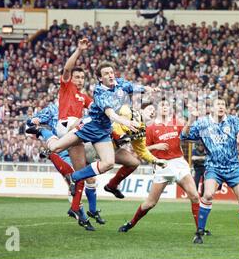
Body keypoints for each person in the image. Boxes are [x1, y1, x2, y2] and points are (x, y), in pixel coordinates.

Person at [45, 61, 159, 192]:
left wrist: (148, 89)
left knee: (109, 163)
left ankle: (74, 177)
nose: (111, 75)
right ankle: (44, 132)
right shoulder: (99, 92)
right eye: (106, 73)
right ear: (100, 78)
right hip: (89, 127)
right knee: (55, 147)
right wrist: (126, 122)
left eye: (111, 72)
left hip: (103, 131)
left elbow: (132, 86)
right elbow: (110, 113)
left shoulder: (119, 83)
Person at [28, 38, 96, 231]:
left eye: (82, 78)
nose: (80, 80)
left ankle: (77, 211)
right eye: (77, 77)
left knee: (79, 176)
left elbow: (97, 110)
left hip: (74, 133)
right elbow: (67, 68)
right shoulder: (67, 87)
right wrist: (79, 50)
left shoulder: (84, 97)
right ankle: (49, 143)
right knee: (79, 171)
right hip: (67, 126)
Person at [180, 98, 239, 245]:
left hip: (233, 167)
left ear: (226, 108)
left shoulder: (234, 121)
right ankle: (199, 232)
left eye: (223, 104)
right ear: (212, 108)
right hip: (213, 167)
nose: (221, 107)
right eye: (218, 104)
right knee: (208, 195)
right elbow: (184, 136)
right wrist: (190, 119)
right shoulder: (203, 123)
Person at [118, 100, 202, 234]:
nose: (165, 107)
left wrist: (191, 118)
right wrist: (155, 147)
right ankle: (131, 223)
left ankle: (200, 229)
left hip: (179, 163)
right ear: (157, 109)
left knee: (195, 196)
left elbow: (185, 133)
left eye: (167, 105)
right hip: (162, 165)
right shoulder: (150, 128)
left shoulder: (176, 122)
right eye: (162, 105)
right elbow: (140, 150)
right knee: (150, 203)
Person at [26, 102, 106, 229]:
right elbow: (29, 123)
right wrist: (33, 120)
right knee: (74, 180)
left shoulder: (79, 106)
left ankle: (92, 210)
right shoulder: (54, 108)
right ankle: (82, 217)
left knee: (90, 179)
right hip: (61, 149)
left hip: (78, 146)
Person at [104, 104, 166, 199]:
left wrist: (156, 161)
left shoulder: (142, 130)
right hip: (100, 143)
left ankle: (111, 186)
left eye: (154, 111)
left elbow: (142, 151)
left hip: (114, 148)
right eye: (150, 109)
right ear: (141, 110)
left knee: (134, 163)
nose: (152, 112)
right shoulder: (130, 114)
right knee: (97, 171)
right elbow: (123, 109)